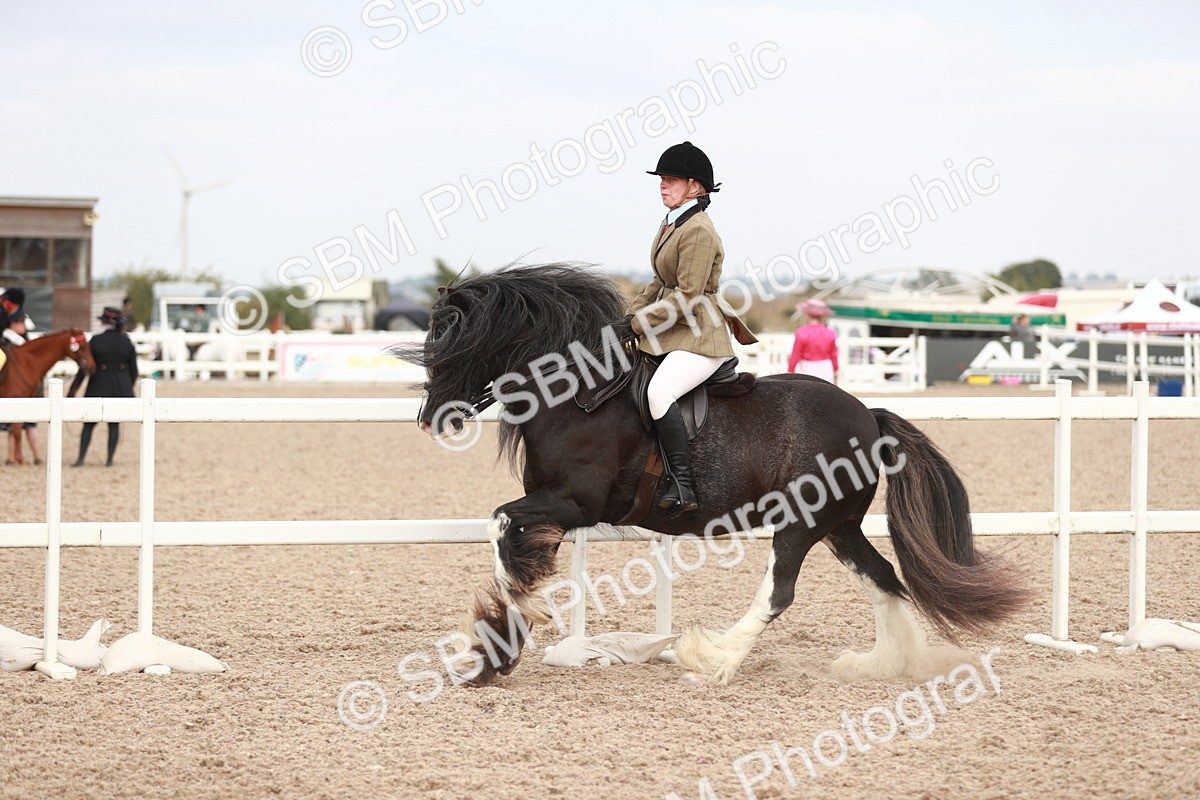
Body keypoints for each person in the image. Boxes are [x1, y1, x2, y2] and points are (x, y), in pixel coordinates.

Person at [625, 141, 757, 516]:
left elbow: (688, 296)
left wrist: (640, 323)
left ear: (695, 186)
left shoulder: (698, 229)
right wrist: (627, 316)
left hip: (701, 334)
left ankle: (682, 485)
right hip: (675, 329)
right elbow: (658, 282)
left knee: (659, 392)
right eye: (662, 179)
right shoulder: (672, 222)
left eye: (671, 179)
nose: (663, 185)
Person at [73, 307, 138, 467]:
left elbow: (85, 368)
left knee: (88, 424)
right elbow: (134, 370)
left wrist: (73, 389)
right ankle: (109, 460)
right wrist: (127, 386)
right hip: (119, 386)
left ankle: (81, 458)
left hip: (98, 384)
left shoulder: (95, 340)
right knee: (114, 425)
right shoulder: (126, 341)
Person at [2, 310, 42, 464]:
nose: (24, 326)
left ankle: (35, 455)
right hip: (14, 391)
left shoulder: (22, 341)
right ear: (13, 323)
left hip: (25, 390)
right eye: (22, 322)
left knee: (27, 424)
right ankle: (15, 456)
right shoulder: (6, 342)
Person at [787, 299, 839, 383]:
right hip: (826, 369)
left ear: (808, 314)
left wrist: (790, 370)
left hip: (807, 369)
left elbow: (795, 354)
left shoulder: (801, 333)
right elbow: (833, 354)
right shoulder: (830, 333)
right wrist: (835, 370)